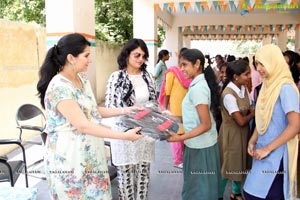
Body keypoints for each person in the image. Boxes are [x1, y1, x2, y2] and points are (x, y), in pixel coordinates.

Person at [36, 33, 143, 200]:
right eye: (86, 55)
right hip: (70, 160)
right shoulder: (59, 87)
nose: (90, 59)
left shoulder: (82, 79)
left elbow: (93, 110)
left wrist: (126, 110)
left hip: (91, 155)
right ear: (71, 58)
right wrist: (123, 136)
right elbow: (83, 125)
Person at [243, 44, 300, 200]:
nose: (259, 69)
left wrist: (267, 149)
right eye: (257, 64)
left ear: (274, 61)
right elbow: (262, 117)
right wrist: (253, 140)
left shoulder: (286, 88)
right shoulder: (267, 85)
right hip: (263, 150)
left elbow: (295, 126)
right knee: (253, 193)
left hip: (278, 154)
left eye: (263, 64)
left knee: (257, 194)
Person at [166, 48, 222, 199]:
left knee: (200, 190)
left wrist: (179, 138)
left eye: (184, 65)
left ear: (197, 64)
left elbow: (206, 124)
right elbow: (194, 117)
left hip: (201, 147)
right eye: (180, 65)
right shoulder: (197, 84)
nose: (181, 69)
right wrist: (171, 119)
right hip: (198, 144)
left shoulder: (199, 88)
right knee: (198, 187)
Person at [105, 38, 157, 200]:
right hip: (123, 134)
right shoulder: (116, 77)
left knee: (143, 177)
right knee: (125, 180)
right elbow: (110, 108)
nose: (140, 59)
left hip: (144, 133)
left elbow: (153, 104)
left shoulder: (148, 77)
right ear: (127, 55)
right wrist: (129, 113)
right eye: (136, 55)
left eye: (143, 56)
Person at [218, 60, 254, 200]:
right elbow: (240, 121)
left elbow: (249, 106)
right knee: (228, 167)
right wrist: (253, 114)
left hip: (242, 133)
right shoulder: (229, 95)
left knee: (239, 163)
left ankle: (235, 192)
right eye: (247, 74)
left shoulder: (243, 88)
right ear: (236, 77)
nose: (250, 76)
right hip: (231, 135)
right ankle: (218, 195)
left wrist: (250, 112)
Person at [158, 47, 191, 169]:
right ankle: (177, 160)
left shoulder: (188, 72)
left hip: (186, 108)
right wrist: (166, 109)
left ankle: (182, 158)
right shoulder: (172, 72)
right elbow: (167, 92)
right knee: (176, 133)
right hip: (175, 108)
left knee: (184, 133)